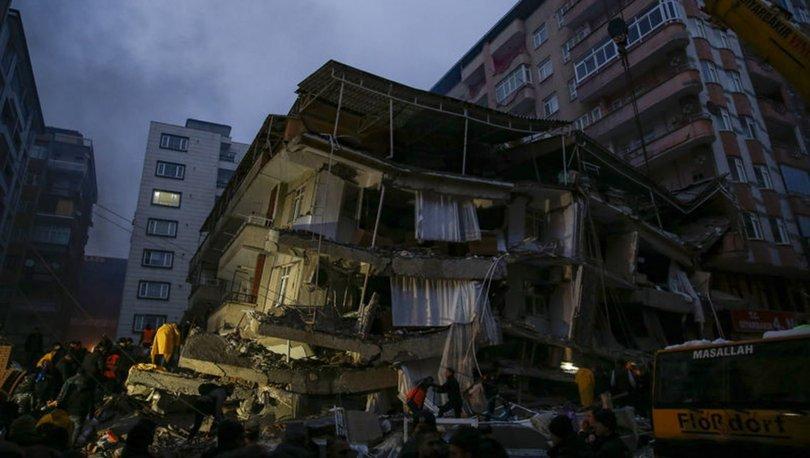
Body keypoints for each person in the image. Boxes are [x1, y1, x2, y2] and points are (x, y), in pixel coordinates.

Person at [47, 370, 95, 446]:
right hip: (80, 414)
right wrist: (91, 416)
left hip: (69, 412)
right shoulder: (89, 393)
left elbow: (62, 397)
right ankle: (71, 445)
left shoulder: (71, 387)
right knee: (77, 429)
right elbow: (91, 406)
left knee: (66, 428)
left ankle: (63, 443)